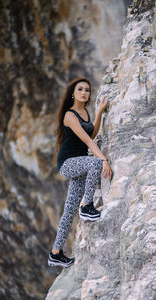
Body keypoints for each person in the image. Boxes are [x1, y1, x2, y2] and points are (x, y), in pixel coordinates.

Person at [48, 78, 112, 268]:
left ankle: (55, 253)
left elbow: (92, 134)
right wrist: (104, 160)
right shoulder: (70, 115)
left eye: (87, 90)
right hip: (68, 163)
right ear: (73, 94)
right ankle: (87, 206)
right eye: (80, 89)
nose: (84, 92)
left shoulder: (84, 112)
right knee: (94, 163)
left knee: (68, 211)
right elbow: (88, 142)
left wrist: (99, 112)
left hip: (79, 164)